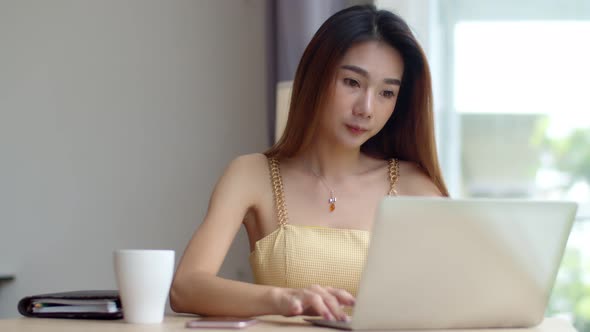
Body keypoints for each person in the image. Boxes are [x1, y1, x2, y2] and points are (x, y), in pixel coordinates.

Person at [170, 4, 448, 322]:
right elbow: (186, 287)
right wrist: (284, 298)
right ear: (316, 77)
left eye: (386, 92)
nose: (366, 108)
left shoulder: (415, 186)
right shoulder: (251, 175)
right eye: (352, 83)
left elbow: (462, 293)